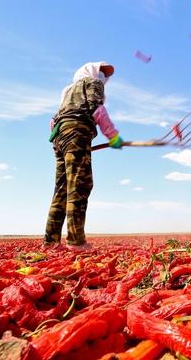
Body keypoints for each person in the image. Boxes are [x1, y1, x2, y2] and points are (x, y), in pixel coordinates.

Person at [44, 62, 124, 251]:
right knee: (79, 184)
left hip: (60, 136)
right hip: (77, 132)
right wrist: (113, 136)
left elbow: (54, 119)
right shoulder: (93, 84)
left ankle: (51, 241)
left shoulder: (68, 91)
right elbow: (98, 111)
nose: (103, 78)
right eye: (101, 73)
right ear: (91, 72)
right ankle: (76, 241)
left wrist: (62, 144)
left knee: (62, 188)